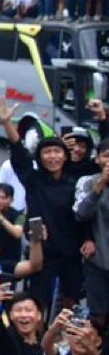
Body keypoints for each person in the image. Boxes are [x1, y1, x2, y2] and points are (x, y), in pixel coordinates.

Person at [0, 96, 83, 313]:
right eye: (47, 152)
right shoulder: (34, 180)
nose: (53, 157)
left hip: (72, 251)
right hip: (42, 251)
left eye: (57, 152)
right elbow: (19, 153)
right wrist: (7, 123)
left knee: (71, 302)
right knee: (38, 302)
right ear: (40, 157)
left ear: (65, 156)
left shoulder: (76, 181)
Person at [73, 138, 109, 329]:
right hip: (98, 263)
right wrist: (99, 187)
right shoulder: (88, 182)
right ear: (97, 159)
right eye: (106, 156)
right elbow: (81, 215)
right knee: (97, 319)